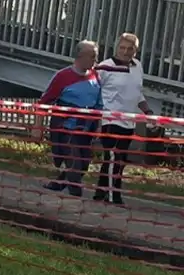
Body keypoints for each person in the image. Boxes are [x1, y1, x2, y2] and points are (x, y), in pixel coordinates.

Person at [94, 32, 153, 205]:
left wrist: (147, 111)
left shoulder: (138, 66)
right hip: (110, 119)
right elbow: (93, 88)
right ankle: (114, 196)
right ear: (116, 48)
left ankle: (100, 192)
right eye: (122, 48)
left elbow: (137, 93)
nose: (125, 52)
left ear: (136, 51)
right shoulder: (105, 66)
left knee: (116, 159)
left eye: (130, 49)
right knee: (115, 157)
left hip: (129, 120)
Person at [39, 40, 104, 198]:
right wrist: (37, 127)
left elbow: (99, 105)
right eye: (93, 56)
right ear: (80, 56)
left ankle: (58, 183)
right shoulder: (63, 76)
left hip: (87, 129)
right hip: (66, 128)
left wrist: (99, 128)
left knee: (83, 164)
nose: (96, 60)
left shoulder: (96, 76)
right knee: (74, 165)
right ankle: (76, 198)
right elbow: (44, 102)